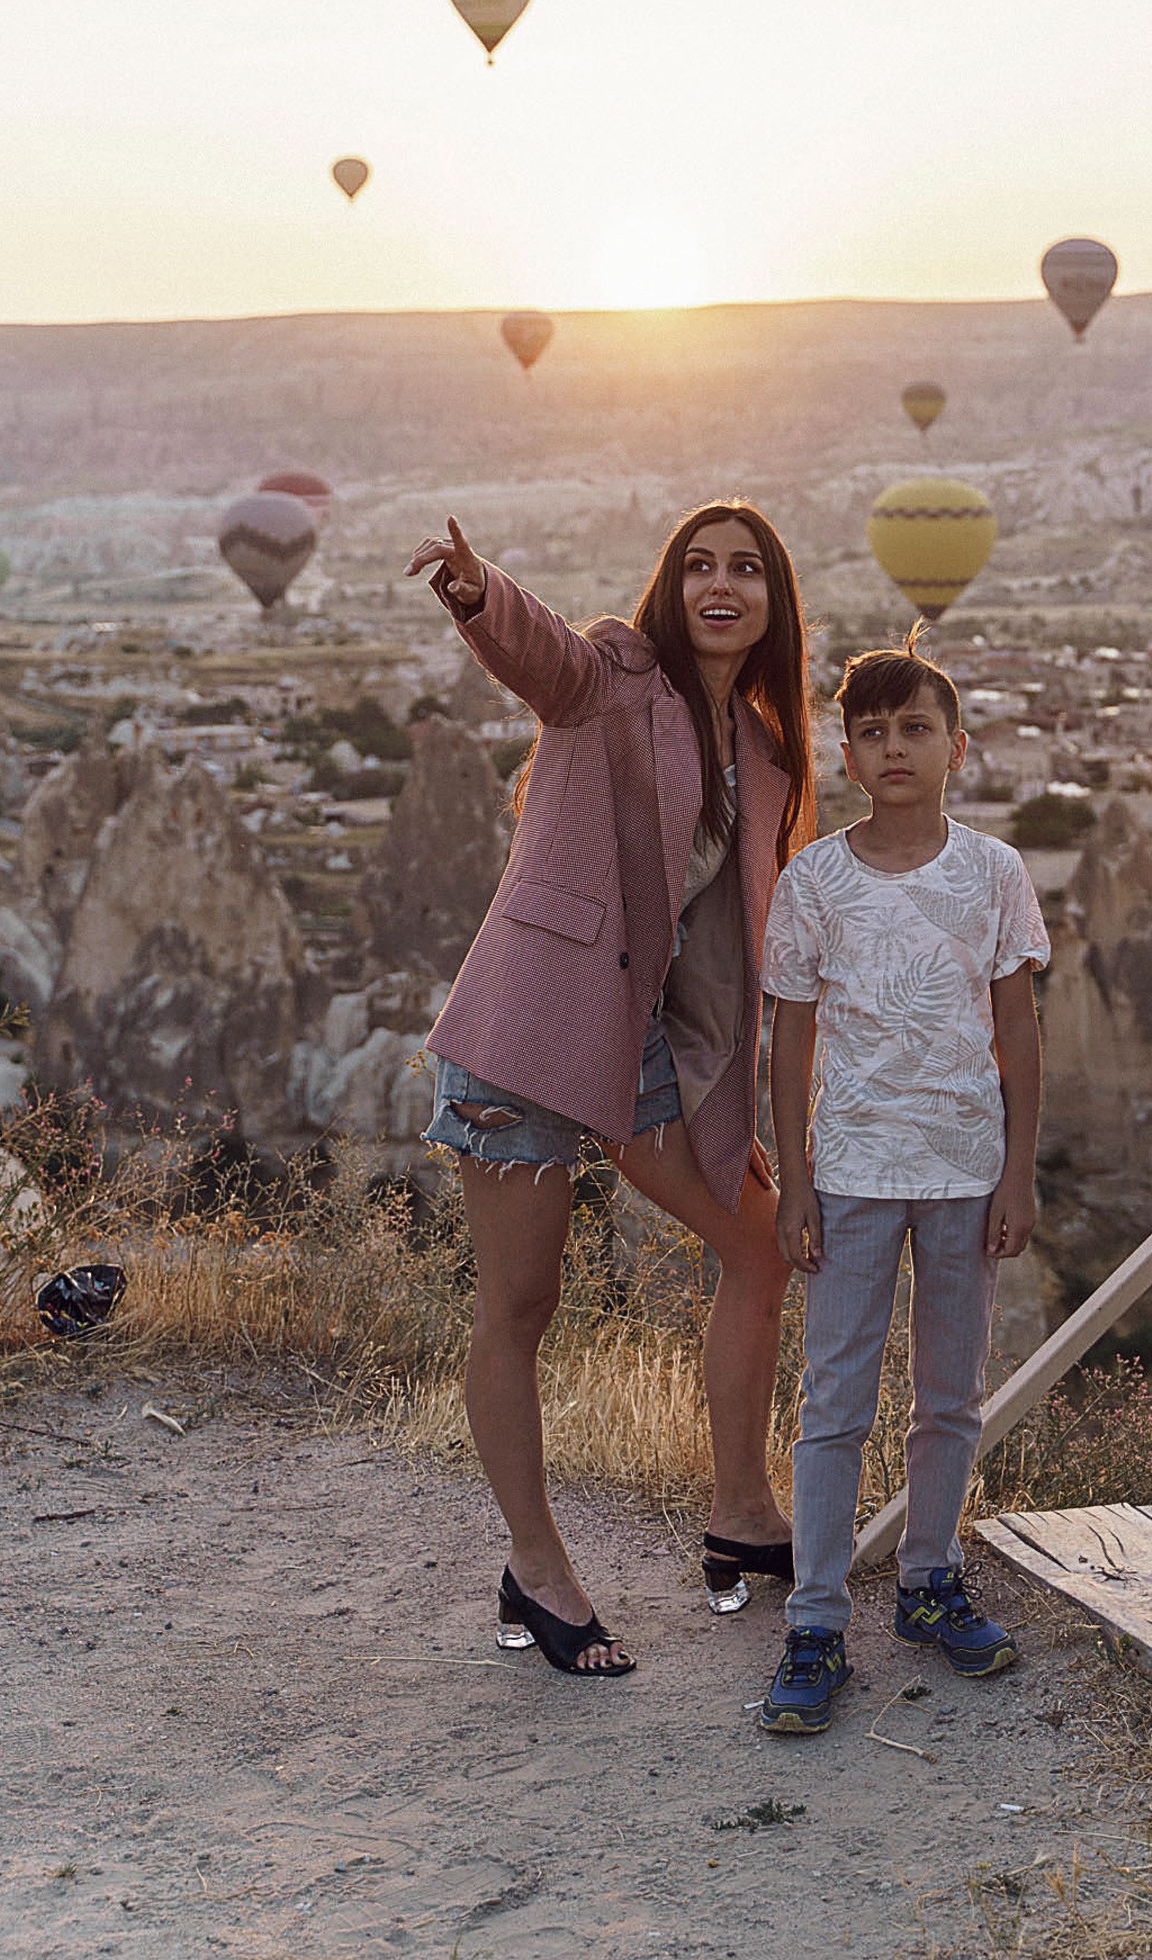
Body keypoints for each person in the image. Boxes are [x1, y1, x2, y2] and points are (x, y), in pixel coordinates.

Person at [404, 502, 816, 1675]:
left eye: (746, 568)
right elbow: (543, 658)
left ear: (777, 598)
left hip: (643, 1044)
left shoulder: (769, 749)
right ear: (669, 586)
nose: (721, 584)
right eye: (699, 565)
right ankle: (536, 1567)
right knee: (521, 1307)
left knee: (757, 1247)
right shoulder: (614, 677)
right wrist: (480, 591)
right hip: (533, 1028)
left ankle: (742, 1512)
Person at [755, 637, 1048, 1735]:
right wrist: (793, 1184)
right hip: (853, 1174)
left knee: (947, 1395)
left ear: (955, 748)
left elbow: (1017, 1027)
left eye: (914, 729)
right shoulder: (815, 881)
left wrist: (1018, 1168)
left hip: (966, 1171)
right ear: (846, 751)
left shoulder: (994, 873)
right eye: (871, 732)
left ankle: (930, 1582)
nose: (893, 749)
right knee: (833, 1402)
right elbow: (790, 1043)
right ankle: (817, 1622)